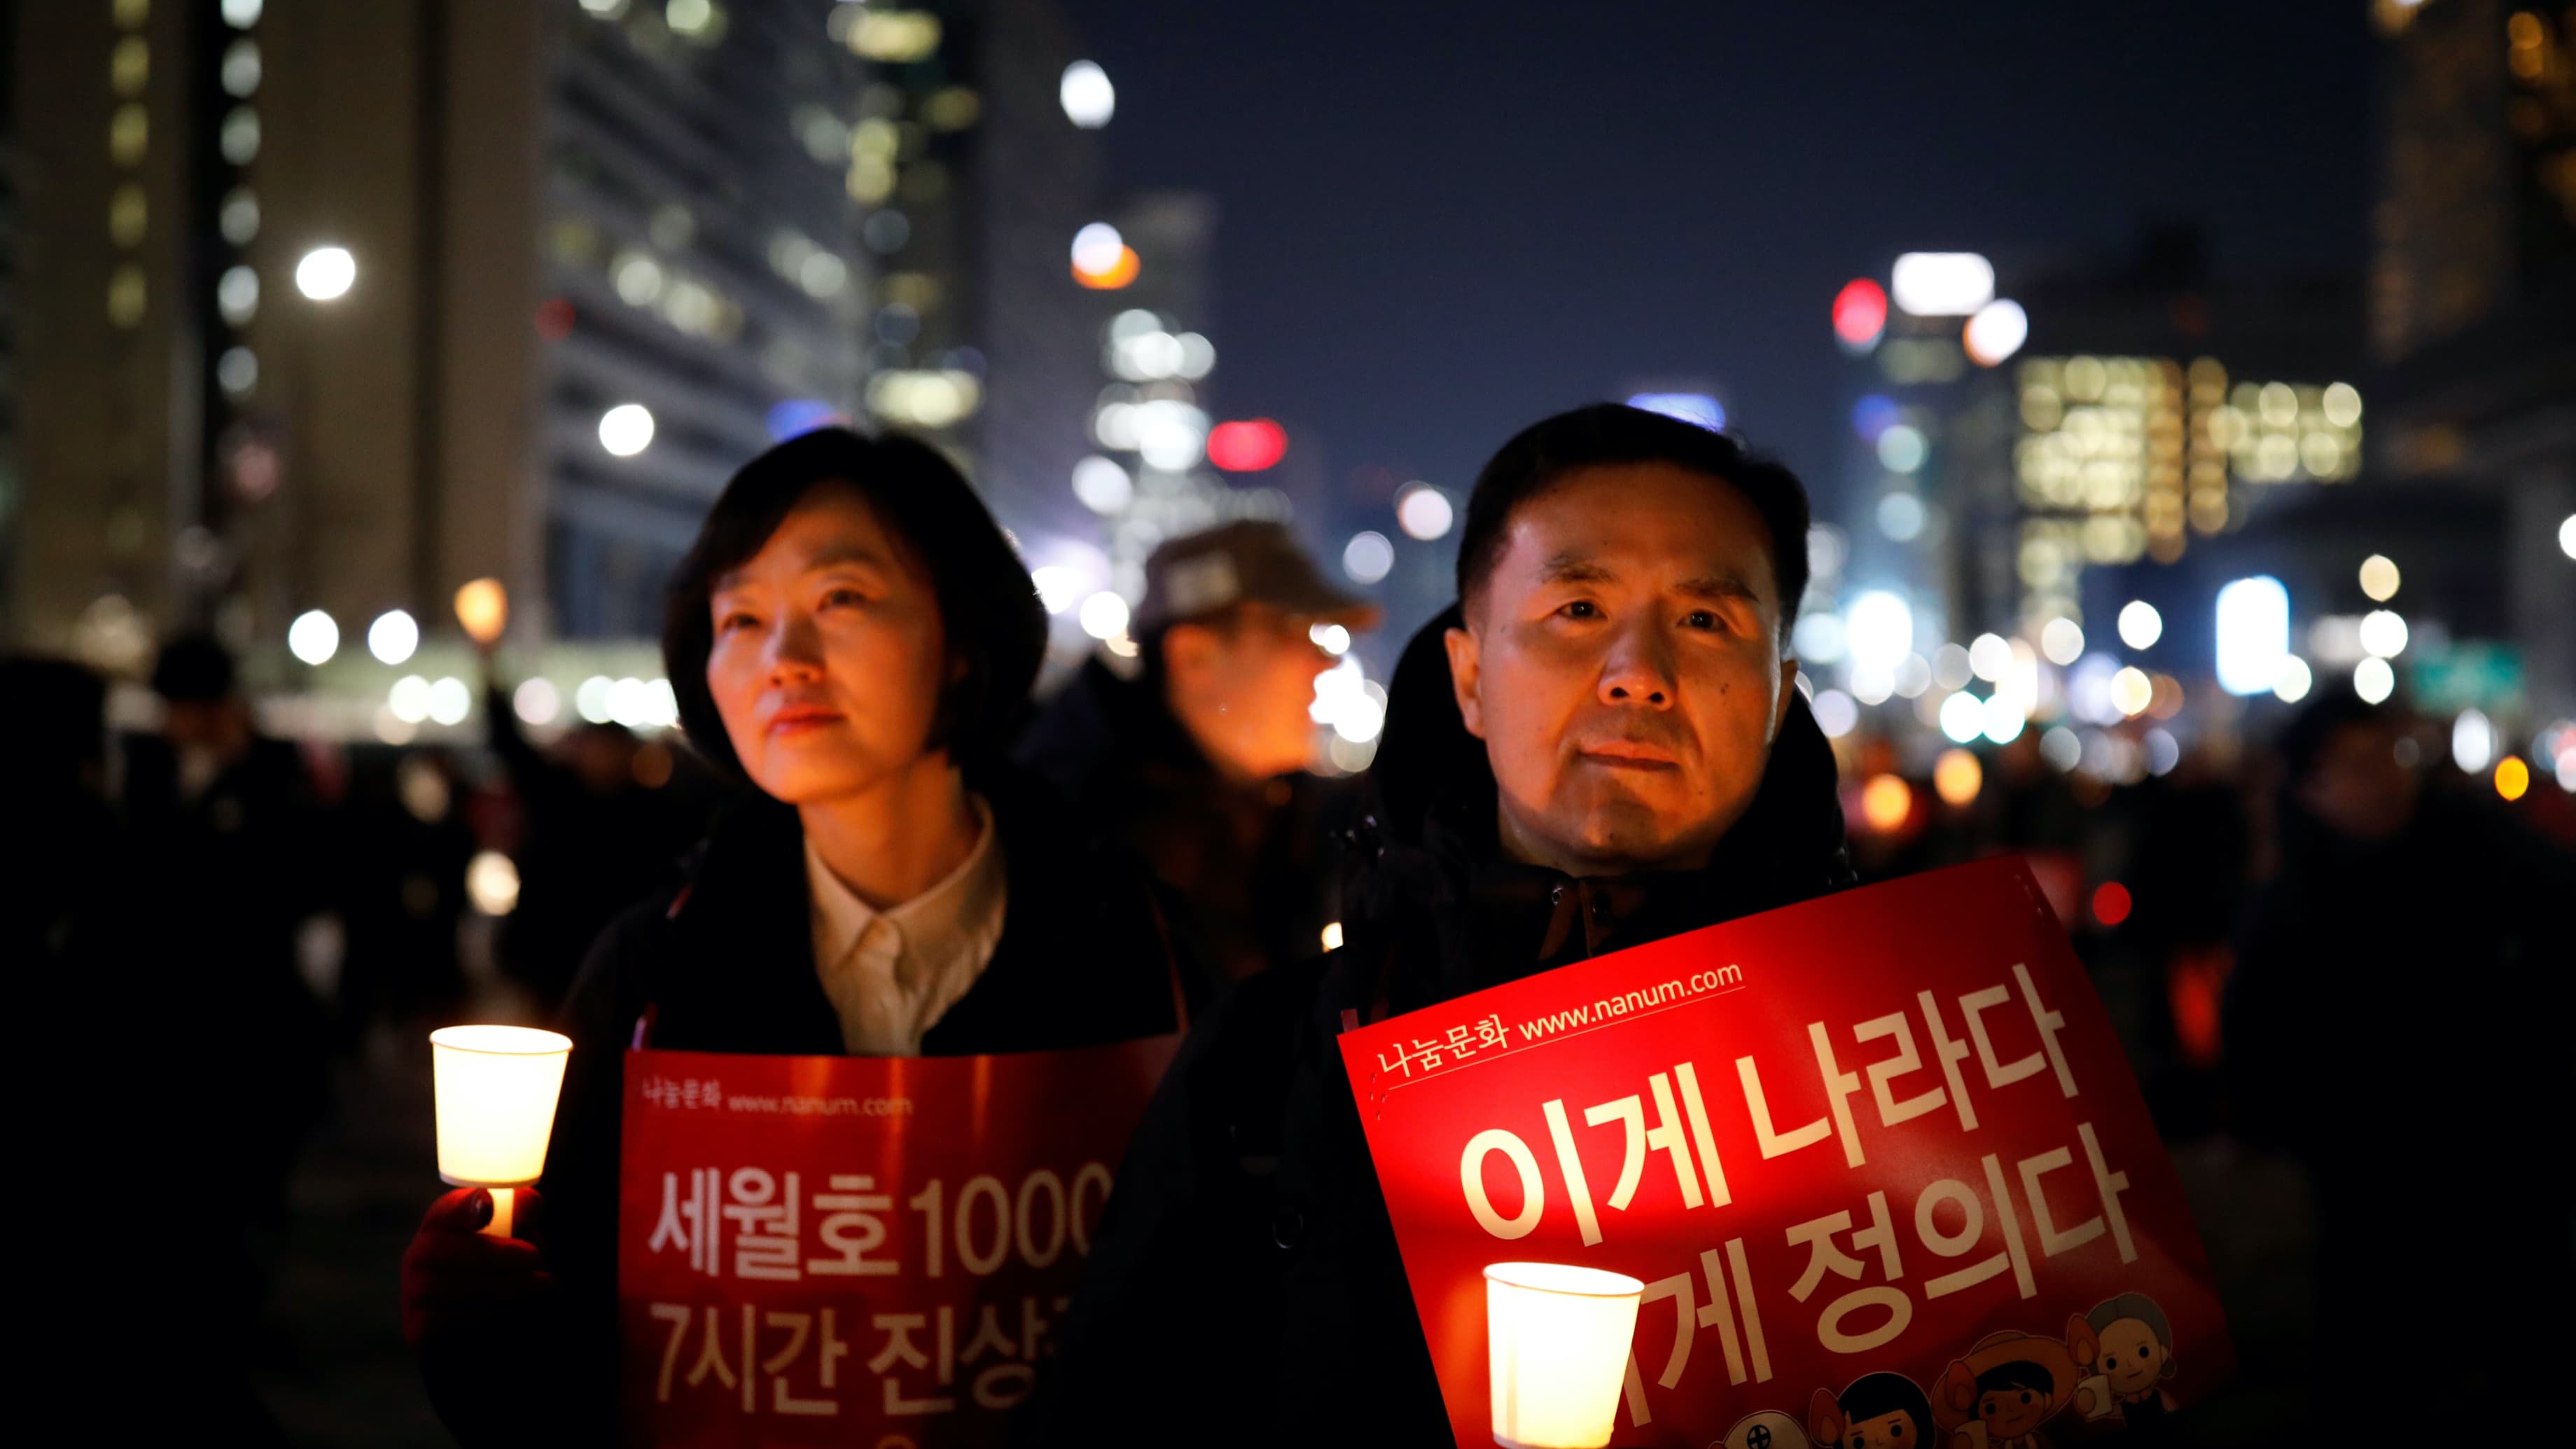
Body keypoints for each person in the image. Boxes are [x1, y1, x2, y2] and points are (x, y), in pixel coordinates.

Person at [1031, 403, 1854, 1440]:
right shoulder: (1266, 1068)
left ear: (1779, 695)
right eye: (1577, 608)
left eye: (1703, 620)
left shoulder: (1926, 1060)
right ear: (1469, 677)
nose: (1636, 671)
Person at [401, 428, 1203, 1442]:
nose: (782, 660)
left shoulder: (1141, 954)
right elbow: (570, 1366)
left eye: (840, 599)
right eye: (739, 616)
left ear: (961, 638)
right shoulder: (654, 973)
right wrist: (489, 1333)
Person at [2226, 693, 2575, 1398]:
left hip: (2506, 1156)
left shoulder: (2486, 845)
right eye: (2351, 764)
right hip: (2363, 1175)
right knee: (2384, 1364)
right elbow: (2255, 1034)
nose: (2380, 777)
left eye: (2388, 753)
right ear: (2308, 784)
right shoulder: (2289, 897)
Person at [1018, 520, 1381, 982]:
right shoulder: (1058, 845)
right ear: (1193, 657)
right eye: (1294, 632)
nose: (1325, 662)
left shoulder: (1291, 817)